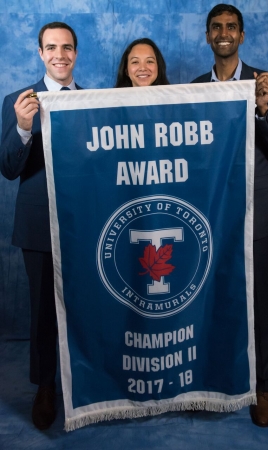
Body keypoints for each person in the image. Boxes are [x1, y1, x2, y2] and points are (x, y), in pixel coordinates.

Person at [191, 4, 268, 427]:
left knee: (259, 304)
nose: (223, 33)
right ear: (207, 36)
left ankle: (263, 385)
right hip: (213, 214)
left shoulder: (267, 83)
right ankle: (215, 378)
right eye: (216, 27)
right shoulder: (195, 88)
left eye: (231, 27)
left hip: (259, 213)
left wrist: (264, 110)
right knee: (212, 297)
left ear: (243, 35)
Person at [0, 21, 82, 430]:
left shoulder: (92, 101)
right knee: (44, 313)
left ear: (76, 53)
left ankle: (85, 379)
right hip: (38, 224)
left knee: (88, 306)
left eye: (67, 48)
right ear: (40, 53)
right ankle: (45, 386)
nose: (60, 55)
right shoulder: (17, 101)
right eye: (51, 48)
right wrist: (22, 128)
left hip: (86, 224)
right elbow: (9, 169)